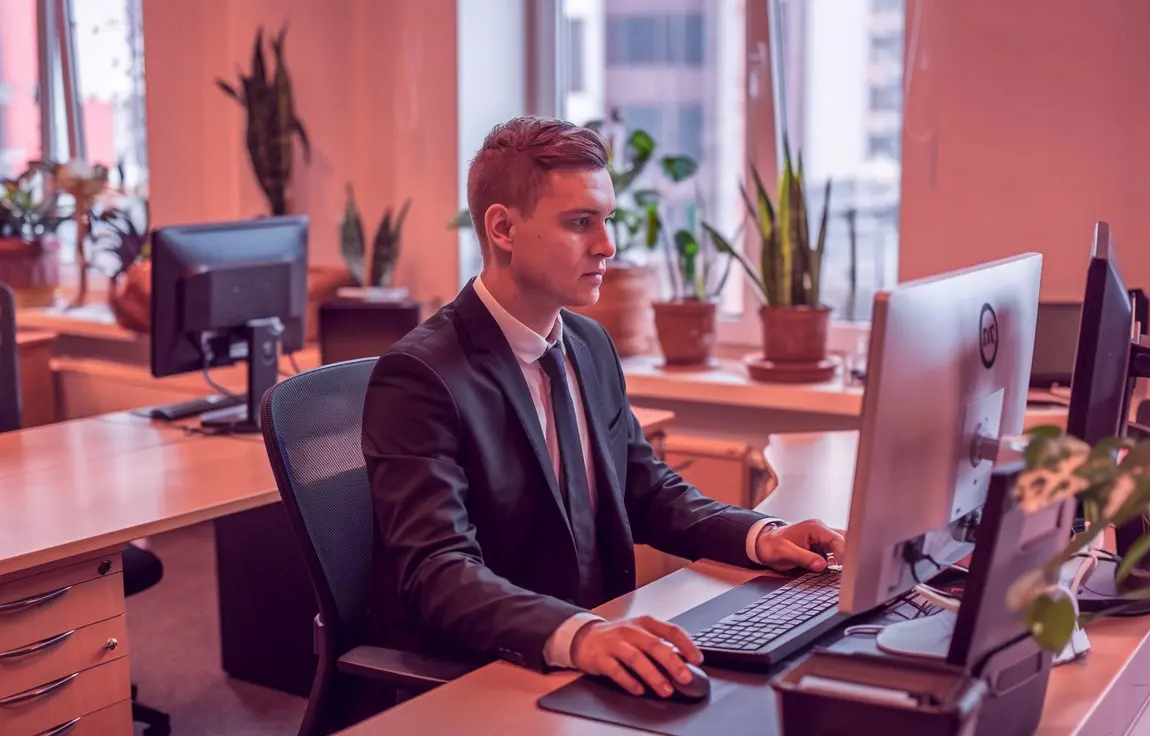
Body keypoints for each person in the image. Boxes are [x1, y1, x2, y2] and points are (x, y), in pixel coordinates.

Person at [362, 115, 844, 698]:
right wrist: (579, 634)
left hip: (596, 649)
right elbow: (438, 572)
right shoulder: (420, 377)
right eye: (579, 223)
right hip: (495, 673)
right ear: (503, 228)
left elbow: (644, 489)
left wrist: (758, 535)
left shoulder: (586, 344)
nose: (607, 245)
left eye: (607, 220)